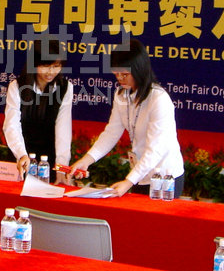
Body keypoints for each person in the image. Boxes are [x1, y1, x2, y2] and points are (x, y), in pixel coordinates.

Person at [70, 39, 183, 197]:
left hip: (165, 177)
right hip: (140, 175)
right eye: (116, 74)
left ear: (139, 70)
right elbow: (111, 132)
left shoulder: (159, 99)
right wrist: (87, 160)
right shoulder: (121, 94)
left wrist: (128, 181)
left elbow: (155, 150)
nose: (120, 78)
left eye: (125, 74)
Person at [3, 39, 73, 179]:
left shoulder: (65, 88)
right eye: (45, 66)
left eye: (56, 66)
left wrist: (61, 168)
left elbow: (63, 131)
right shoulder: (17, 86)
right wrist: (21, 154)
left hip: (48, 160)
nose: (51, 72)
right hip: (21, 156)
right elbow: (11, 125)